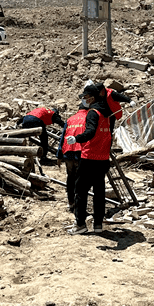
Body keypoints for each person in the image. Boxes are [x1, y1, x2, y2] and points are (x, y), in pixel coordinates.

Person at [66, 83, 115, 234]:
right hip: (102, 158)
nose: (84, 100)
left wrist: (77, 138)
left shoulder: (93, 113)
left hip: (89, 157)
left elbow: (91, 132)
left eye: (85, 97)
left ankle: (80, 224)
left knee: (80, 190)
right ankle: (98, 224)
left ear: (92, 98)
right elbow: (108, 135)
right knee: (99, 192)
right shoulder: (107, 113)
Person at [59, 98, 90, 211]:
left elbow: (62, 137)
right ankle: (79, 204)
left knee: (70, 178)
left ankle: (70, 202)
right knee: (81, 179)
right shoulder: (89, 117)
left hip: (68, 152)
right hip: (81, 151)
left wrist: (59, 154)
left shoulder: (70, 119)